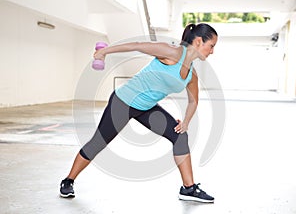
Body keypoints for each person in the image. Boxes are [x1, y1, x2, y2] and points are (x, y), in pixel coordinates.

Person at [60, 23, 218, 203]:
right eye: (211, 45)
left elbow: (193, 100)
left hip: (147, 108)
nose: (212, 51)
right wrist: (104, 52)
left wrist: (186, 122)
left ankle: (188, 189)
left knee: (180, 136)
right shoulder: (171, 52)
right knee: (98, 143)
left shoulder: (192, 74)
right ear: (198, 41)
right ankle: (68, 180)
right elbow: (135, 45)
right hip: (123, 102)